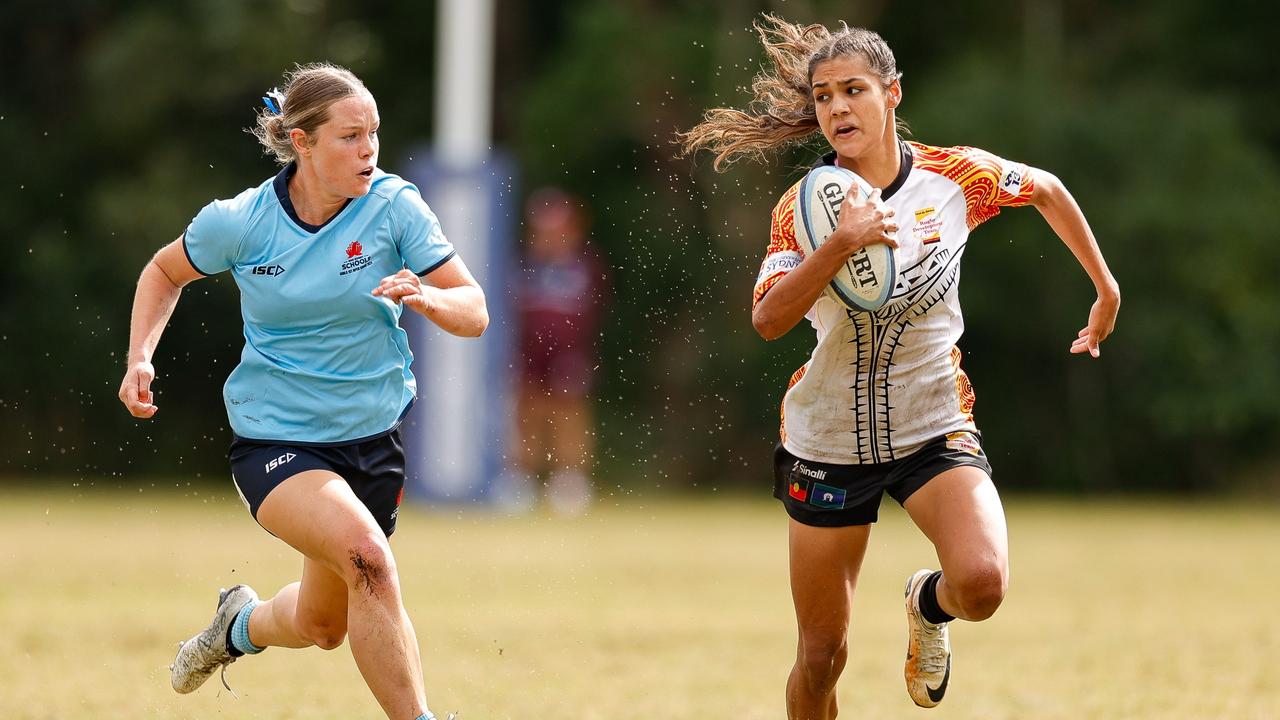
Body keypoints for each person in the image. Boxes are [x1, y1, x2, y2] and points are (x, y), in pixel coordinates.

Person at [680, 15, 1119, 719]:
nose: (836, 108)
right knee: (822, 658)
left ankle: (926, 602)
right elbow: (767, 319)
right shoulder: (806, 210)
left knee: (982, 584)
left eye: (853, 90)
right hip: (827, 441)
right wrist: (840, 245)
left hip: (933, 425)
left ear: (892, 94)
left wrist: (1106, 288)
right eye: (823, 96)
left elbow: (1045, 189)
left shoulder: (954, 177)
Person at [117, 62, 486, 720]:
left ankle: (237, 626)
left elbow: (475, 308)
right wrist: (139, 357)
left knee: (324, 625)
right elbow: (162, 271)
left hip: (372, 444)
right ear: (302, 141)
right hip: (277, 442)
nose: (368, 149)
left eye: (373, 133)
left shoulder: (395, 207)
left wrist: (426, 297)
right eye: (349, 136)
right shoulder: (241, 221)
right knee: (369, 560)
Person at [498, 188, 607, 515]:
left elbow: (593, 310)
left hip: (569, 353)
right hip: (527, 351)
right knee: (527, 410)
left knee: (569, 411)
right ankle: (521, 477)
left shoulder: (583, 266)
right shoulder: (522, 265)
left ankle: (570, 479)